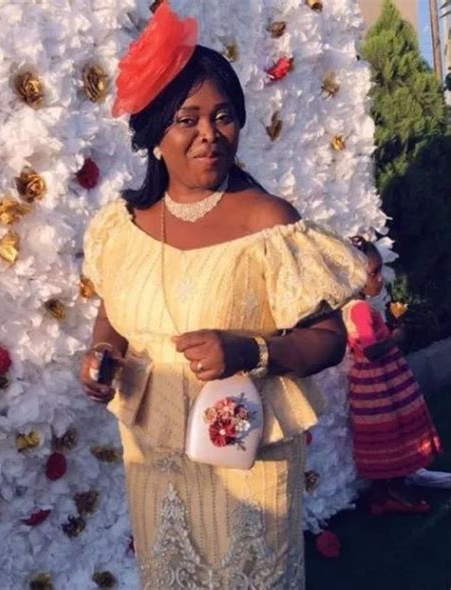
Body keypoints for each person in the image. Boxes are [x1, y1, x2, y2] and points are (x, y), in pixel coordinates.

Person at [80, 5, 366, 588]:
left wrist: (251, 352)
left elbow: (328, 340)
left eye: (223, 116)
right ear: (156, 135)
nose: (209, 133)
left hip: (245, 457)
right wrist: (102, 360)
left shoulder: (269, 223)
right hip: (153, 459)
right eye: (187, 118)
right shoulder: (121, 227)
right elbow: (113, 317)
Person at [343, 237, 442, 515]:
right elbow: (372, 350)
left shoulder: (355, 307)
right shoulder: (360, 309)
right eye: (372, 274)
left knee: (383, 434)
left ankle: (381, 493)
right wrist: (396, 337)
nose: (379, 280)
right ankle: (394, 488)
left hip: (374, 382)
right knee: (396, 430)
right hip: (381, 382)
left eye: (379, 271)